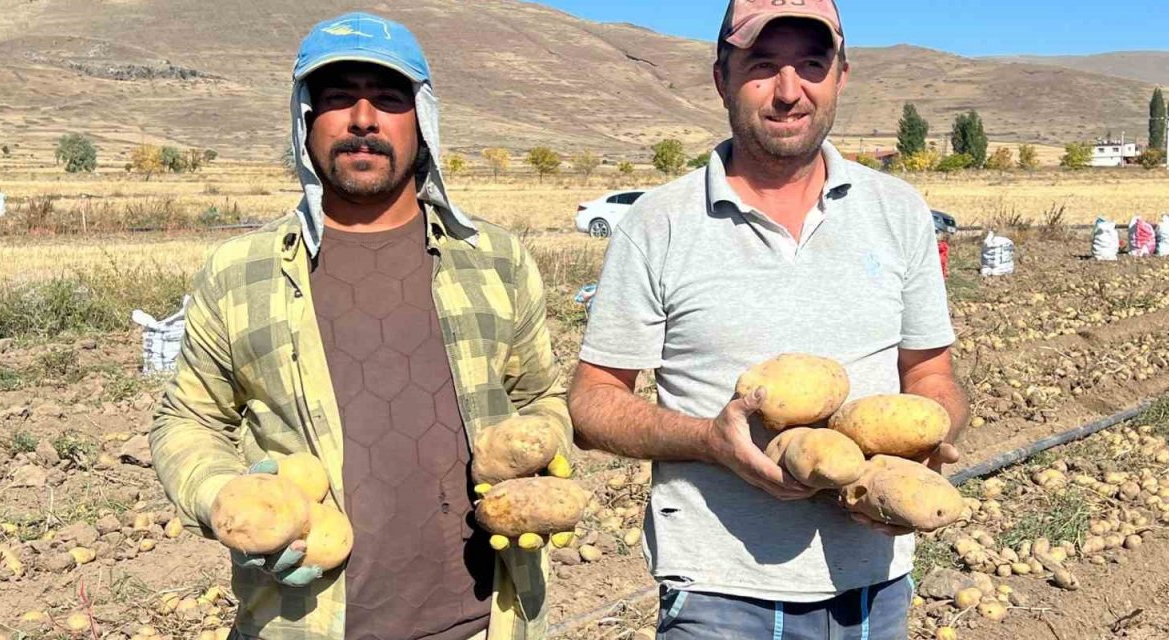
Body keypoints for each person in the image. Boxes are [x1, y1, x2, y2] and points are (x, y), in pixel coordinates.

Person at [149, 12, 571, 640]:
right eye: (339, 97)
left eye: (389, 98)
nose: (364, 119)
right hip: (304, 622)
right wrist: (222, 497)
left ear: (421, 120)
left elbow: (542, 396)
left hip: (485, 622)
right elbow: (187, 419)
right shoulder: (240, 272)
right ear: (306, 119)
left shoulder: (497, 260)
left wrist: (538, 451)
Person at [567, 1, 969, 638]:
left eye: (812, 64)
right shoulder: (658, 222)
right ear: (721, 76)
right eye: (761, 65)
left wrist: (927, 445)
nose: (789, 92)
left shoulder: (898, 210)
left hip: (873, 586)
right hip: (718, 598)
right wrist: (710, 443)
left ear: (841, 74)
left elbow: (932, 374)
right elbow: (593, 402)